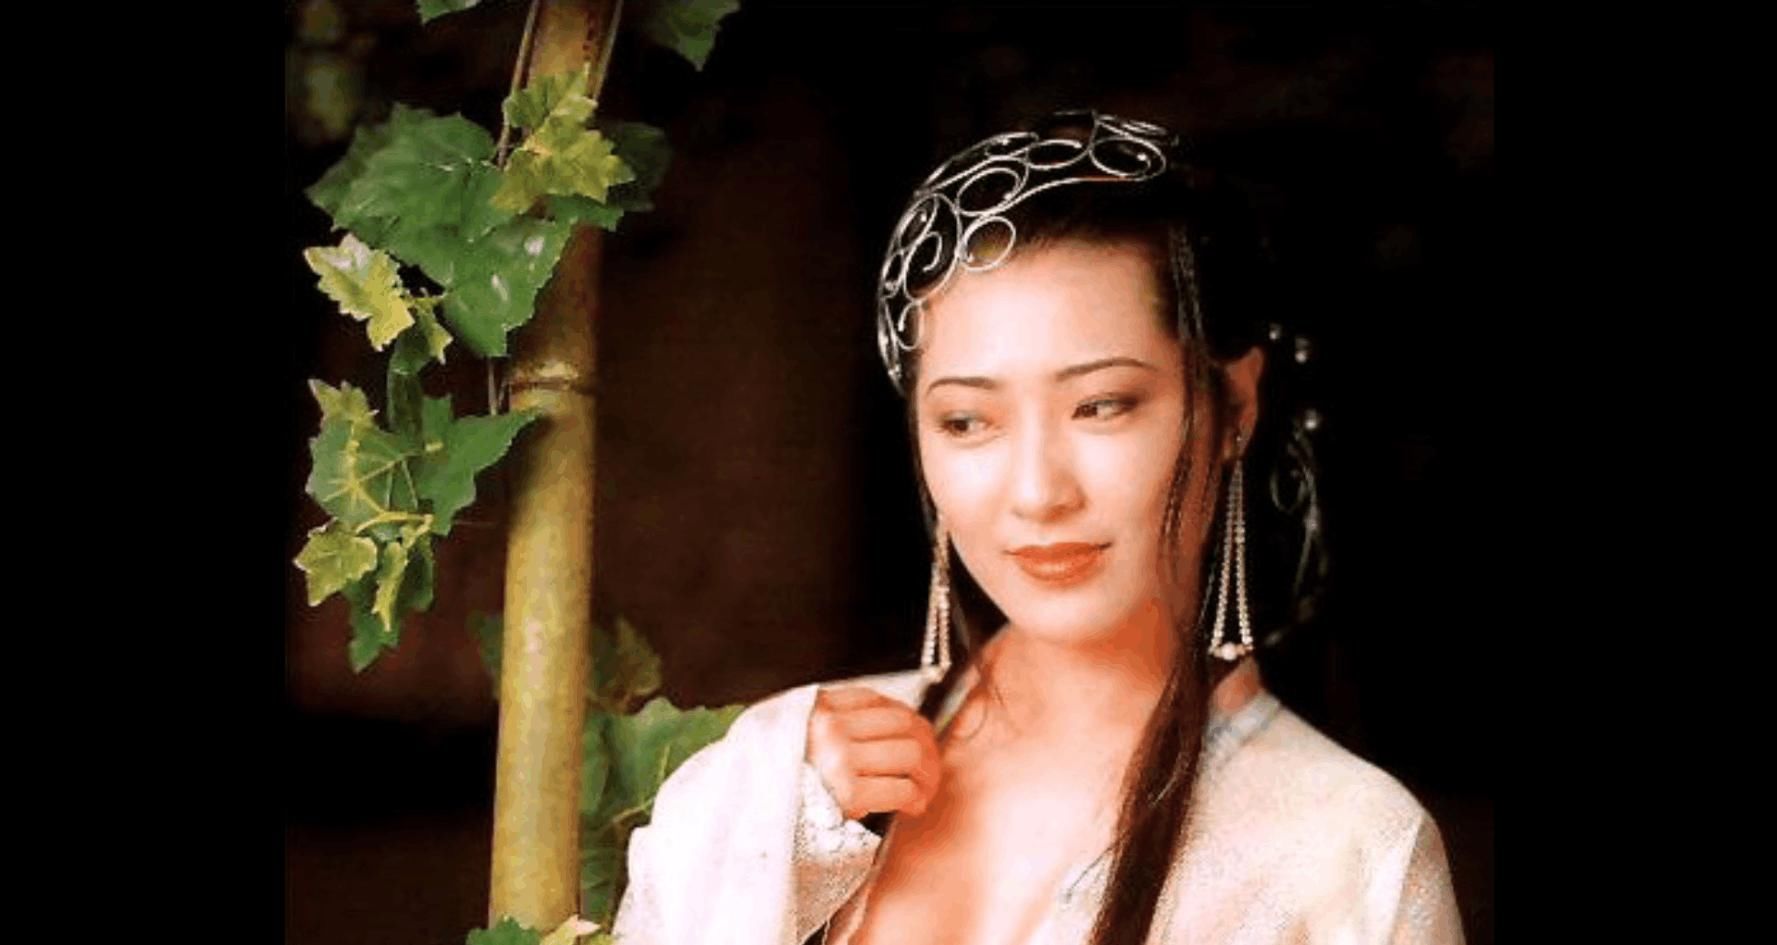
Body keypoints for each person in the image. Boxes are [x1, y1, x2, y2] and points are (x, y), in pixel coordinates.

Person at [611, 110, 1464, 945]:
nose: (1036, 491)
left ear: (1233, 403)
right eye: (966, 420)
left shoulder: (1348, 851)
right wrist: (751, 854)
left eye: (1101, 405)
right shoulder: (784, 779)